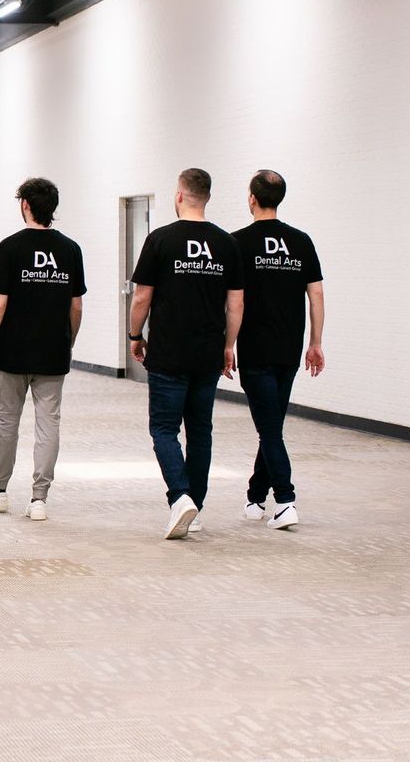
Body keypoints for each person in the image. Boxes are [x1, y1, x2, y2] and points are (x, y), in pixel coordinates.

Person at [129, 168, 244, 540]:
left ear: (180, 196)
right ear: (206, 197)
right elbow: (236, 303)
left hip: (168, 352)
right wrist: (228, 345)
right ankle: (195, 507)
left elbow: (142, 296)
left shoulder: (160, 239)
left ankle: (180, 497)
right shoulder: (227, 244)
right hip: (208, 353)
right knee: (200, 431)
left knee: (163, 428)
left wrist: (134, 334)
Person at [0, 177, 85, 522]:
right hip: (52, 351)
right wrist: (68, 342)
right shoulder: (70, 250)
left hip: (14, 351)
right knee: (48, 423)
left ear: (25, 204)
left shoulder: (10, 247)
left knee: (7, 420)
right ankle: (39, 499)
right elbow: (76, 306)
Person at [232, 170, 325, 531]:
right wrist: (315, 342)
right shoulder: (301, 241)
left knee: (269, 427)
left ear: (251, 198)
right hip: (289, 347)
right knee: (271, 423)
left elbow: (233, 302)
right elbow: (315, 294)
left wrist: (227, 343)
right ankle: (256, 496)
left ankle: (285, 501)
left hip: (255, 348)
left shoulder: (238, 242)